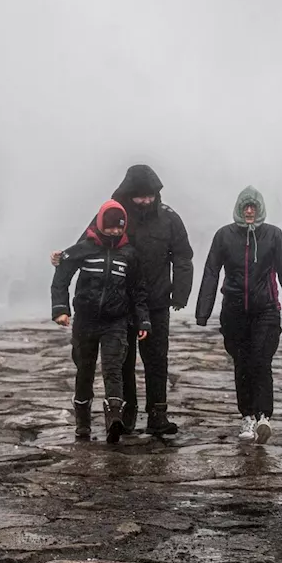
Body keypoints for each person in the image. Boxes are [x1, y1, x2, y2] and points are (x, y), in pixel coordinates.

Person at [52, 165, 192, 437]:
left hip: (157, 302)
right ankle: (127, 414)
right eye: (140, 196)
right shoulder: (113, 213)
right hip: (119, 306)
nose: (146, 200)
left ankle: (157, 415)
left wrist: (180, 293)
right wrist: (62, 257)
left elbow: (183, 256)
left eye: (150, 195)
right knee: (123, 363)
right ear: (128, 194)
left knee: (156, 360)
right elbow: (87, 245)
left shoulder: (169, 218)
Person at [195, 186, 282, 445]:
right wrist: (203, 312)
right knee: (242, 365)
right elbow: (211, 272)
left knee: (261, 360)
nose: (248, 211)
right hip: (234, 313)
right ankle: (247, 416)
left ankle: (264, 416)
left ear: (260, 210)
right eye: (245, 207)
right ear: (238, 208)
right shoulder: (224, 236)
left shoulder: (273, 236)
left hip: (266, 310)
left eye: (253, 207)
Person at [51, 199, 151, 444]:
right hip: (85, 322)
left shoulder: (129, 254)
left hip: (115, 322)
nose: (115, 232)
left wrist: (143, 322)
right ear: (100, 225)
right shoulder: (83, 248)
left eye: (119, 227)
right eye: (110, 227)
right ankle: (82, 425)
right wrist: (60, 309)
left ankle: (114, 420)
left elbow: (138, 290)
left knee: (113, 369)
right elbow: (61, 275)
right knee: (84, 371)